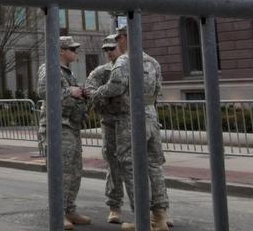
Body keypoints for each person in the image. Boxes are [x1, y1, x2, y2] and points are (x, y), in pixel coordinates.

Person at [93, 27, 171, 231]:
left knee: (130, 165)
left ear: (124, 38)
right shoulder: (152, 61)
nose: (116, 43)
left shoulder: (124, 61)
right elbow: (158, 89)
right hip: (151, 116)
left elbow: (116, 87)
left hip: (130, 117)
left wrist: (97, 93)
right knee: (154, 165)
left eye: (118, 38)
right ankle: (160, 217)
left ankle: (143, 217)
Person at [38, 36, 92, 230]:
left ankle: (70, 209)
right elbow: (44, 92)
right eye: (71, 48)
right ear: (61, 50)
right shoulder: (49, 68)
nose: (75, 52)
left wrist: (79, 93)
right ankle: (58, 213)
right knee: (62, 171)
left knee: (75, 170)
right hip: (57, 126)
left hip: (71, 125)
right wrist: (71, 92)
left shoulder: (67, 72)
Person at [85, 34, 128, 224]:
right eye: (106, 50)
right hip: (109, 121)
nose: (109, 52)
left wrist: (106, 94)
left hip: (128, 120)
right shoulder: (101, 72)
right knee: (112, 163)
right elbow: (89, 90)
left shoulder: (130, 67)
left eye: (112, 48)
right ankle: (114, 206)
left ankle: (153, 209)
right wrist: (105, 97)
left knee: (136, 164)